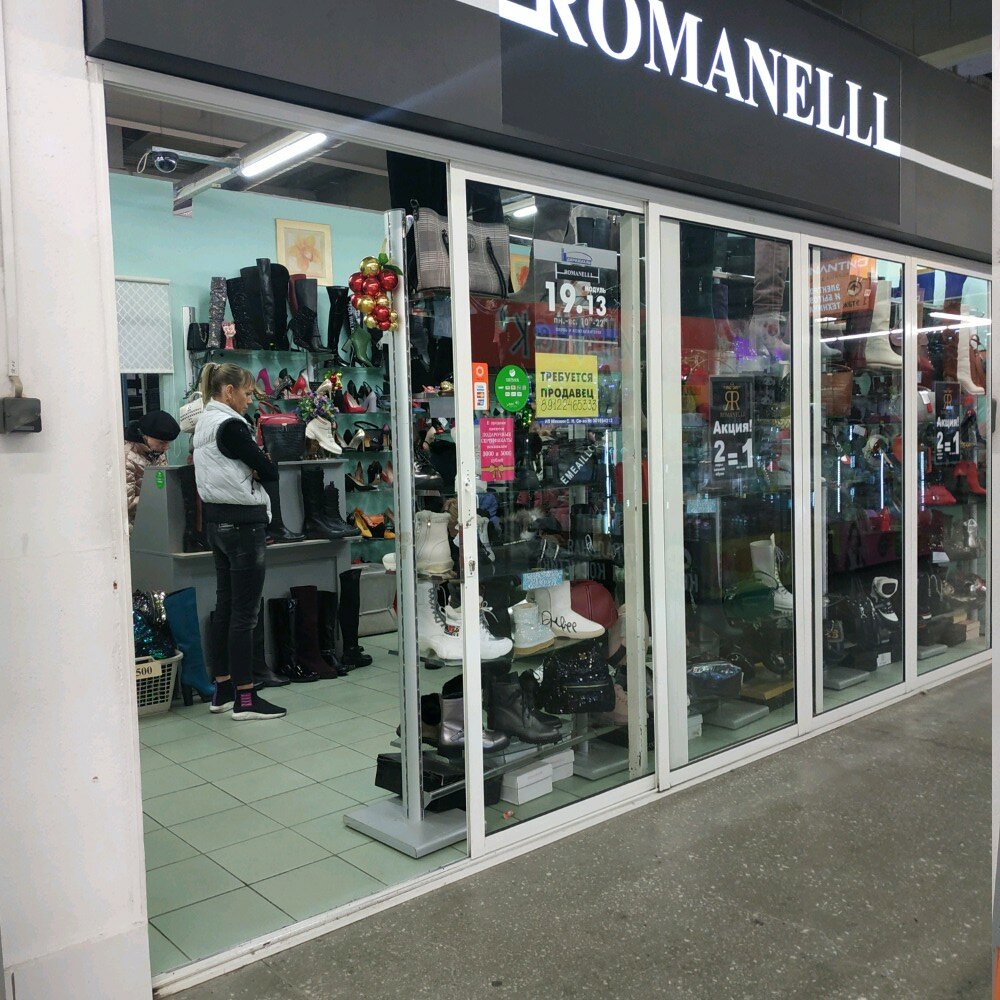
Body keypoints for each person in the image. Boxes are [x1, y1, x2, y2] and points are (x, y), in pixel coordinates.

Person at [192, 362, 285, 721]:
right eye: (246, 393)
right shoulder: (231, 426)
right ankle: (246, 699)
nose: (249, 400)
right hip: (244, 526)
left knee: (227, 608)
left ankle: (223, 690)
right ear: (228, 391)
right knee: (245, 615)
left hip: (216, 524)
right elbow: (270, 471)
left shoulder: (204, 424)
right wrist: (260, 466)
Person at [124, 410, 180, 534]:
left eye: (168, 443)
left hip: (153, 521)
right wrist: (158, 499)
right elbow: (127, 504)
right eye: (162, 442)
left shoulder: (158, 454)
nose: (166, 447)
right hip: (134, 529)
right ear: (145, 436)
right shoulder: (128, 458)